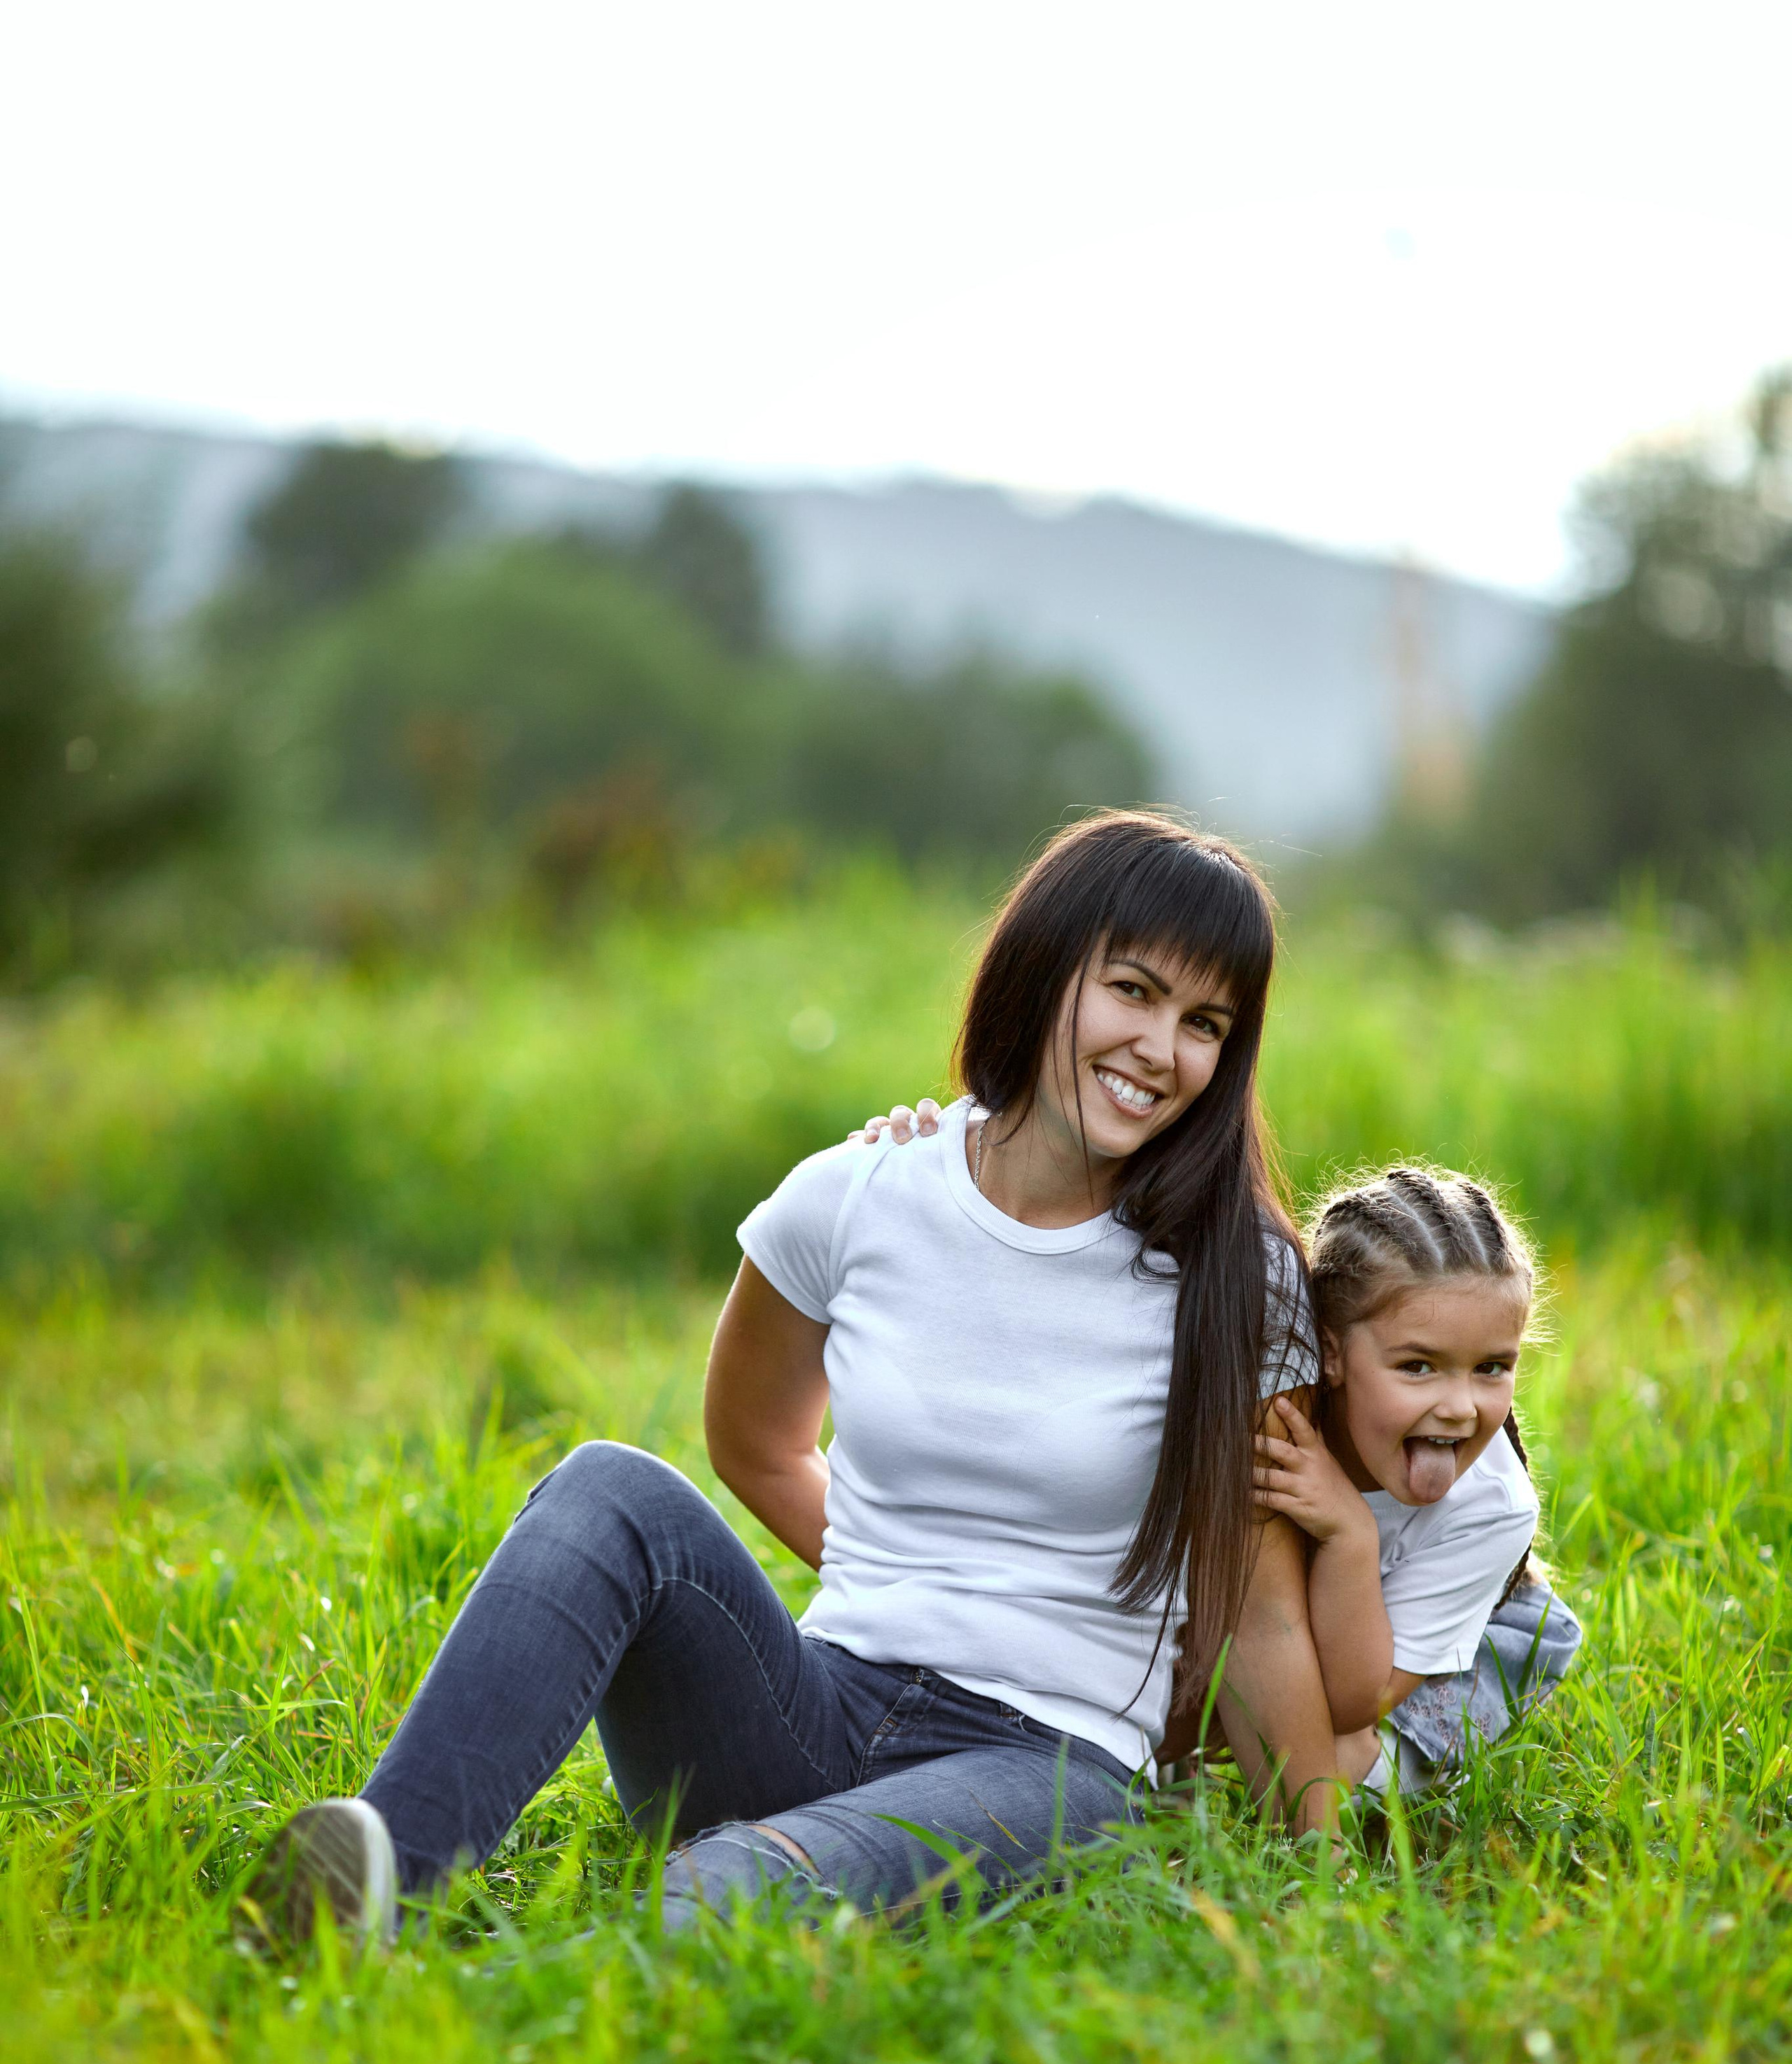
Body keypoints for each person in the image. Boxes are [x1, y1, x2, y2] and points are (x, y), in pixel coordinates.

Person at [247, 812, 1342, 1952]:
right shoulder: (860, 1196)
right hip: (819, 1700)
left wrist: (1320, 1868)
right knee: (608, 1493)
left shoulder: (1236, 1279)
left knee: (732, 1893)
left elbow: (1255, 1610)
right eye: (1133, 990)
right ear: (1047, 967)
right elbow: (758, 1444)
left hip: (1043, 1766)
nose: (1162, 1048)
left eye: (1205, 1023)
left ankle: (530, 1999)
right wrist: (908, 1581)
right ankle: (380, 1876)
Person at [1252, 1167, 1582, 1798]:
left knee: (1338, 1763)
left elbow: (1354, 1703)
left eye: (1491, 1368)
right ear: (1331, 1353)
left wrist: (1349, 1533)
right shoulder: (1276, 1421)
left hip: (1444, 1657)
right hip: (1333, 1641)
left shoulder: (1493, 1509)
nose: (1460, 1407)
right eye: (1418, 1366)